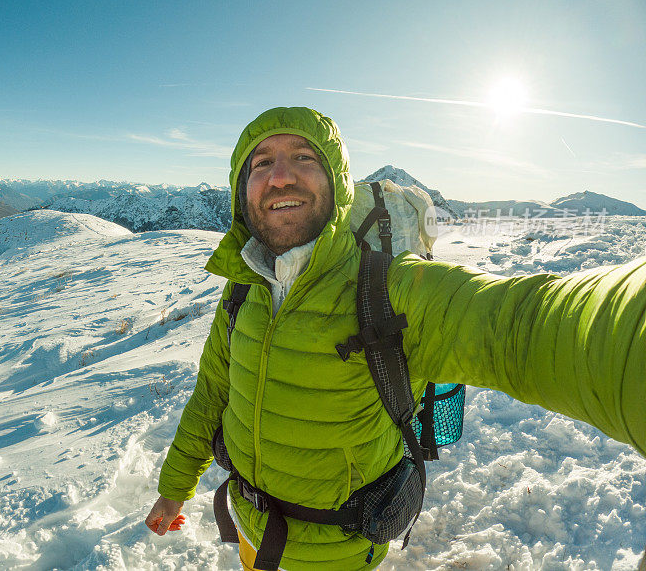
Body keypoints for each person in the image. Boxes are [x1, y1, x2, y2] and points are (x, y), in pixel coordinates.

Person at [145, 106, 646, 570]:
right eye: (261, 163)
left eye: (304, 157)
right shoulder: (244, 290)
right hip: (251, 529)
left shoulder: (390, 289)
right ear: (242, 189)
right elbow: (212, 393)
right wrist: (174, 489)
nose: (280, 176)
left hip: (337, 552)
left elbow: (521, 325)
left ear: (338, 184)